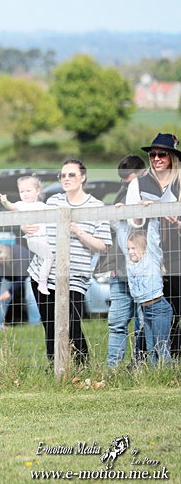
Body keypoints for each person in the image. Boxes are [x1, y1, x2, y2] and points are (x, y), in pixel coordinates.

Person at [24, 158, 111, 365]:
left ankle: (82, 366)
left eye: (71, 174)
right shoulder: (53, 201)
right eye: (62, 175)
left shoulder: (96, 206)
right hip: (43, 274)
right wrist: (26, 227)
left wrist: (78, 231)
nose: (66, 178)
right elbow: (36, 225)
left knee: (72, 325)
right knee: (50, 325)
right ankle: (55, 368)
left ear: (83, 177)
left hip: (75, 277)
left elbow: (103, 246)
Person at [126, 133, 181, 358]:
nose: (156, 158)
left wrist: (176, 220)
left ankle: (172, 357)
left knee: (175, 308)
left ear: (172, 157)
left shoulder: (179, 182)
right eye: (152, 154)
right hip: (149, 257)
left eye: (162, 154)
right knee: (149, 311)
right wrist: (142, 210)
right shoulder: (139, 183)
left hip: (177, 254)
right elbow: (132, 222)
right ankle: (145, 359)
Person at [101, 155, 146, 368]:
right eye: (124, 181)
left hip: (142, 270)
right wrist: (111, 264)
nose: (127, 185)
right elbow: (113, 233)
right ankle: (113, 367)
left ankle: (141, 364)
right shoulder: (121, 192)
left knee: (142, 322)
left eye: (130, 181)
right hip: (120, 270)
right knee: (117, 322)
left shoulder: (149, 193)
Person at [116, 217, 172, 365]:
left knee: (161, 347)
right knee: (150, 349)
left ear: (144, 248)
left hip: (159, 309)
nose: (130, 252)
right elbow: (122, 233)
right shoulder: (130, 262)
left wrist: (152, 214)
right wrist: (121, 216)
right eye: (129, 249)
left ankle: (168, 372)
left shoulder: (151, 256)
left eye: (133, 248)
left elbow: (153, 235)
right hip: (145, 310)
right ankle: (154, 374)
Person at [0, 175, 53, 295]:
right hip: (33, 239)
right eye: (22, 191)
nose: (25, 194)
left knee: (47, 258)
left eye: (28, 190)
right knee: (49, 257)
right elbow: (11, 206)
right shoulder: (21, 205)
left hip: (45, 239)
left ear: (37, 191)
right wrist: (4, 201)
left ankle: (43, 280)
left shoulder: (42, 206)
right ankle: (42, 283)